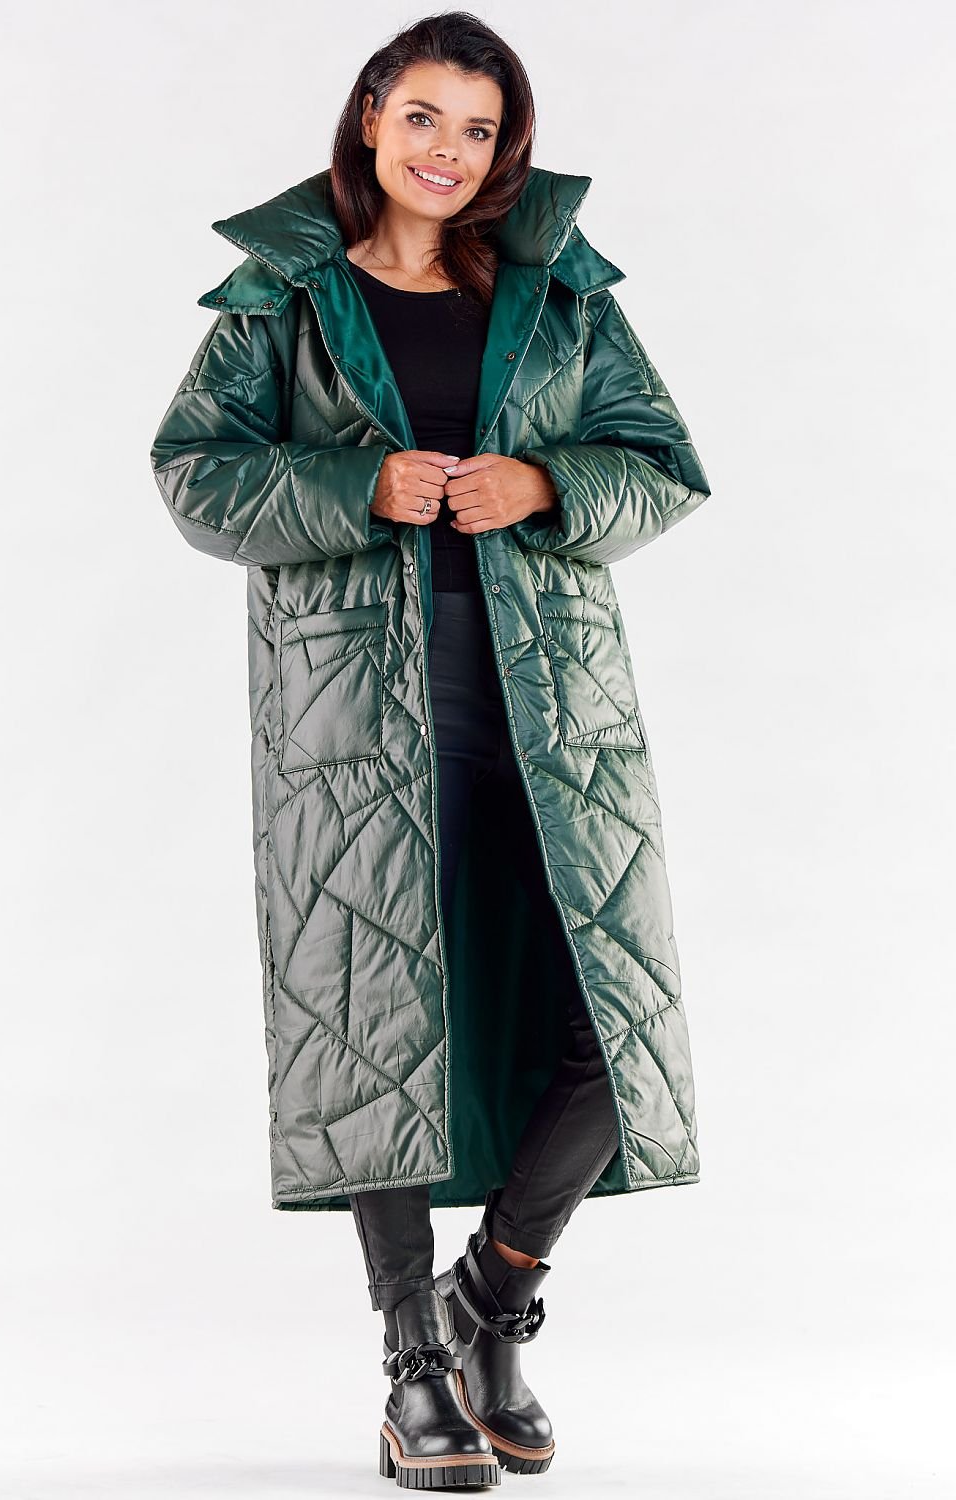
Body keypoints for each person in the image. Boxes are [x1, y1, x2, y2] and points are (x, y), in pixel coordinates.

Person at [150, 11, 710, 1489]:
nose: (448, 152)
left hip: (556, 715)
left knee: (609, 1027)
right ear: (370, 119)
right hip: (355, 724)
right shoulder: (286, 296)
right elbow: (194, 473)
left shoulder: (558, 291)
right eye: (423, 117)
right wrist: (356, 487)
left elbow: (663, 466)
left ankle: (492, 1299)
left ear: (505, 146)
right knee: (377, 1026)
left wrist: (545, 482)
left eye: (478, 128)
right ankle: (418, 1368)